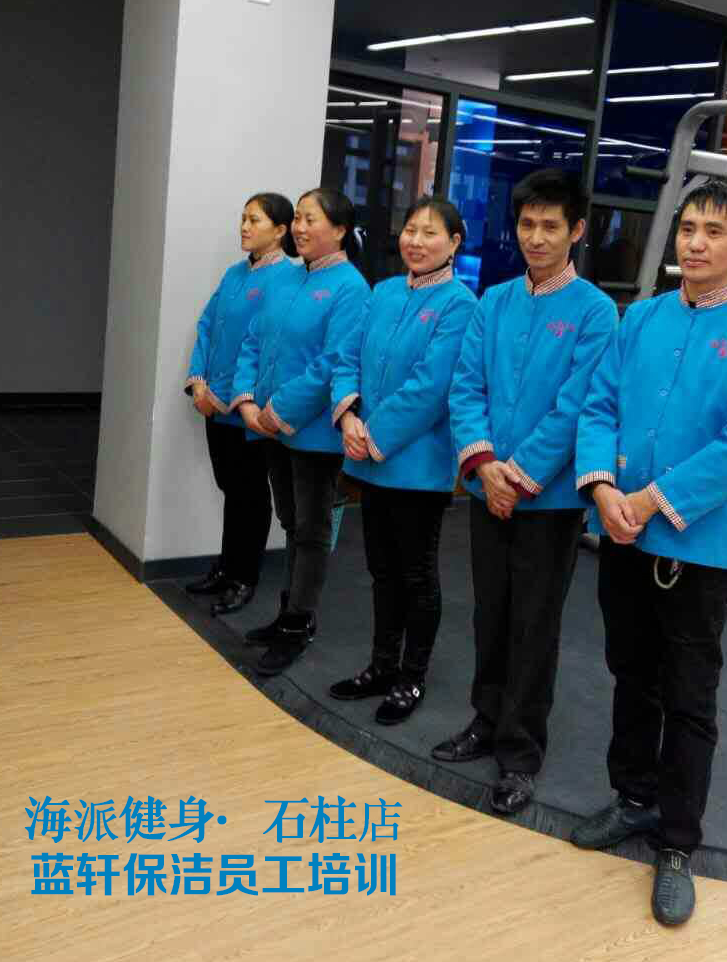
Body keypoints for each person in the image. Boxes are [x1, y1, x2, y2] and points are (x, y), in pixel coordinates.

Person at [572, 182, 727, 926]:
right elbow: (600, 406)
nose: (695, 243)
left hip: (695, 550)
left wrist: (648, 500)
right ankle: (632, 798)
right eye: (688, 227)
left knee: (689, 697)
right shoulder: (641, 318)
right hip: (622, 535)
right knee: (630, 676)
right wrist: (603, 488)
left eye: (713, 232)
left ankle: (676, 842)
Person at [431, 169, 618, 815]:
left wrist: (518, 476)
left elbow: (577, 406)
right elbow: (466, 387)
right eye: (527, 224)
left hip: (550, 500)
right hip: (489, 489)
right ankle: (485, 720)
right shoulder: (494, 301)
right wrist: (485, 466)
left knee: (534, 625)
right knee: (490, 613)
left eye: (550, 226)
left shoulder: (595, 311)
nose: (536, 237)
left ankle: (520, 752)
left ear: (577, 231)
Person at [327, 197, 477, 725]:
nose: (415, 240)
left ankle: (411, 677)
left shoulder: (460, 305)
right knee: (381, 570)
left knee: (416, 574)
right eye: (411, 229)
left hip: (417, 466)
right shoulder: (384, 291)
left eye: (430, 232)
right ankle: (381, 666)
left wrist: (373, 435)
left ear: (454, 243)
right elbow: (346, 357)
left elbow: (432, 388)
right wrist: (348, 416)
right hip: (367, 455)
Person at [231, 188, 370, 677]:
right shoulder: (288, 277)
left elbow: (333, 363)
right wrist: (246, 400)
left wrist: (276, 410)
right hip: (270, 425)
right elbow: (253, 340)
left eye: (312, 219)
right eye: (299, 219)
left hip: (313, 434)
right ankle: (288, 610)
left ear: (340, 230)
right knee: (290, 522)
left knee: (311, 530)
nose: (300, 227)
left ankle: (298, 624)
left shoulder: (351, 287)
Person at [183, 193, 297, 615]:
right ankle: (226, 567)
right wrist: (198, 383)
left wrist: (222, 395)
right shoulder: (234, 273)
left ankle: (244, 576)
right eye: (243, 218)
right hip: (212, 403)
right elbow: (207, 326)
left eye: (255, 220)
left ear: (280, 231)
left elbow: (263, 346)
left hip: (247, 410)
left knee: (250, 494)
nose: (245, 227)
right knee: (230, 488)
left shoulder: (288, 279)